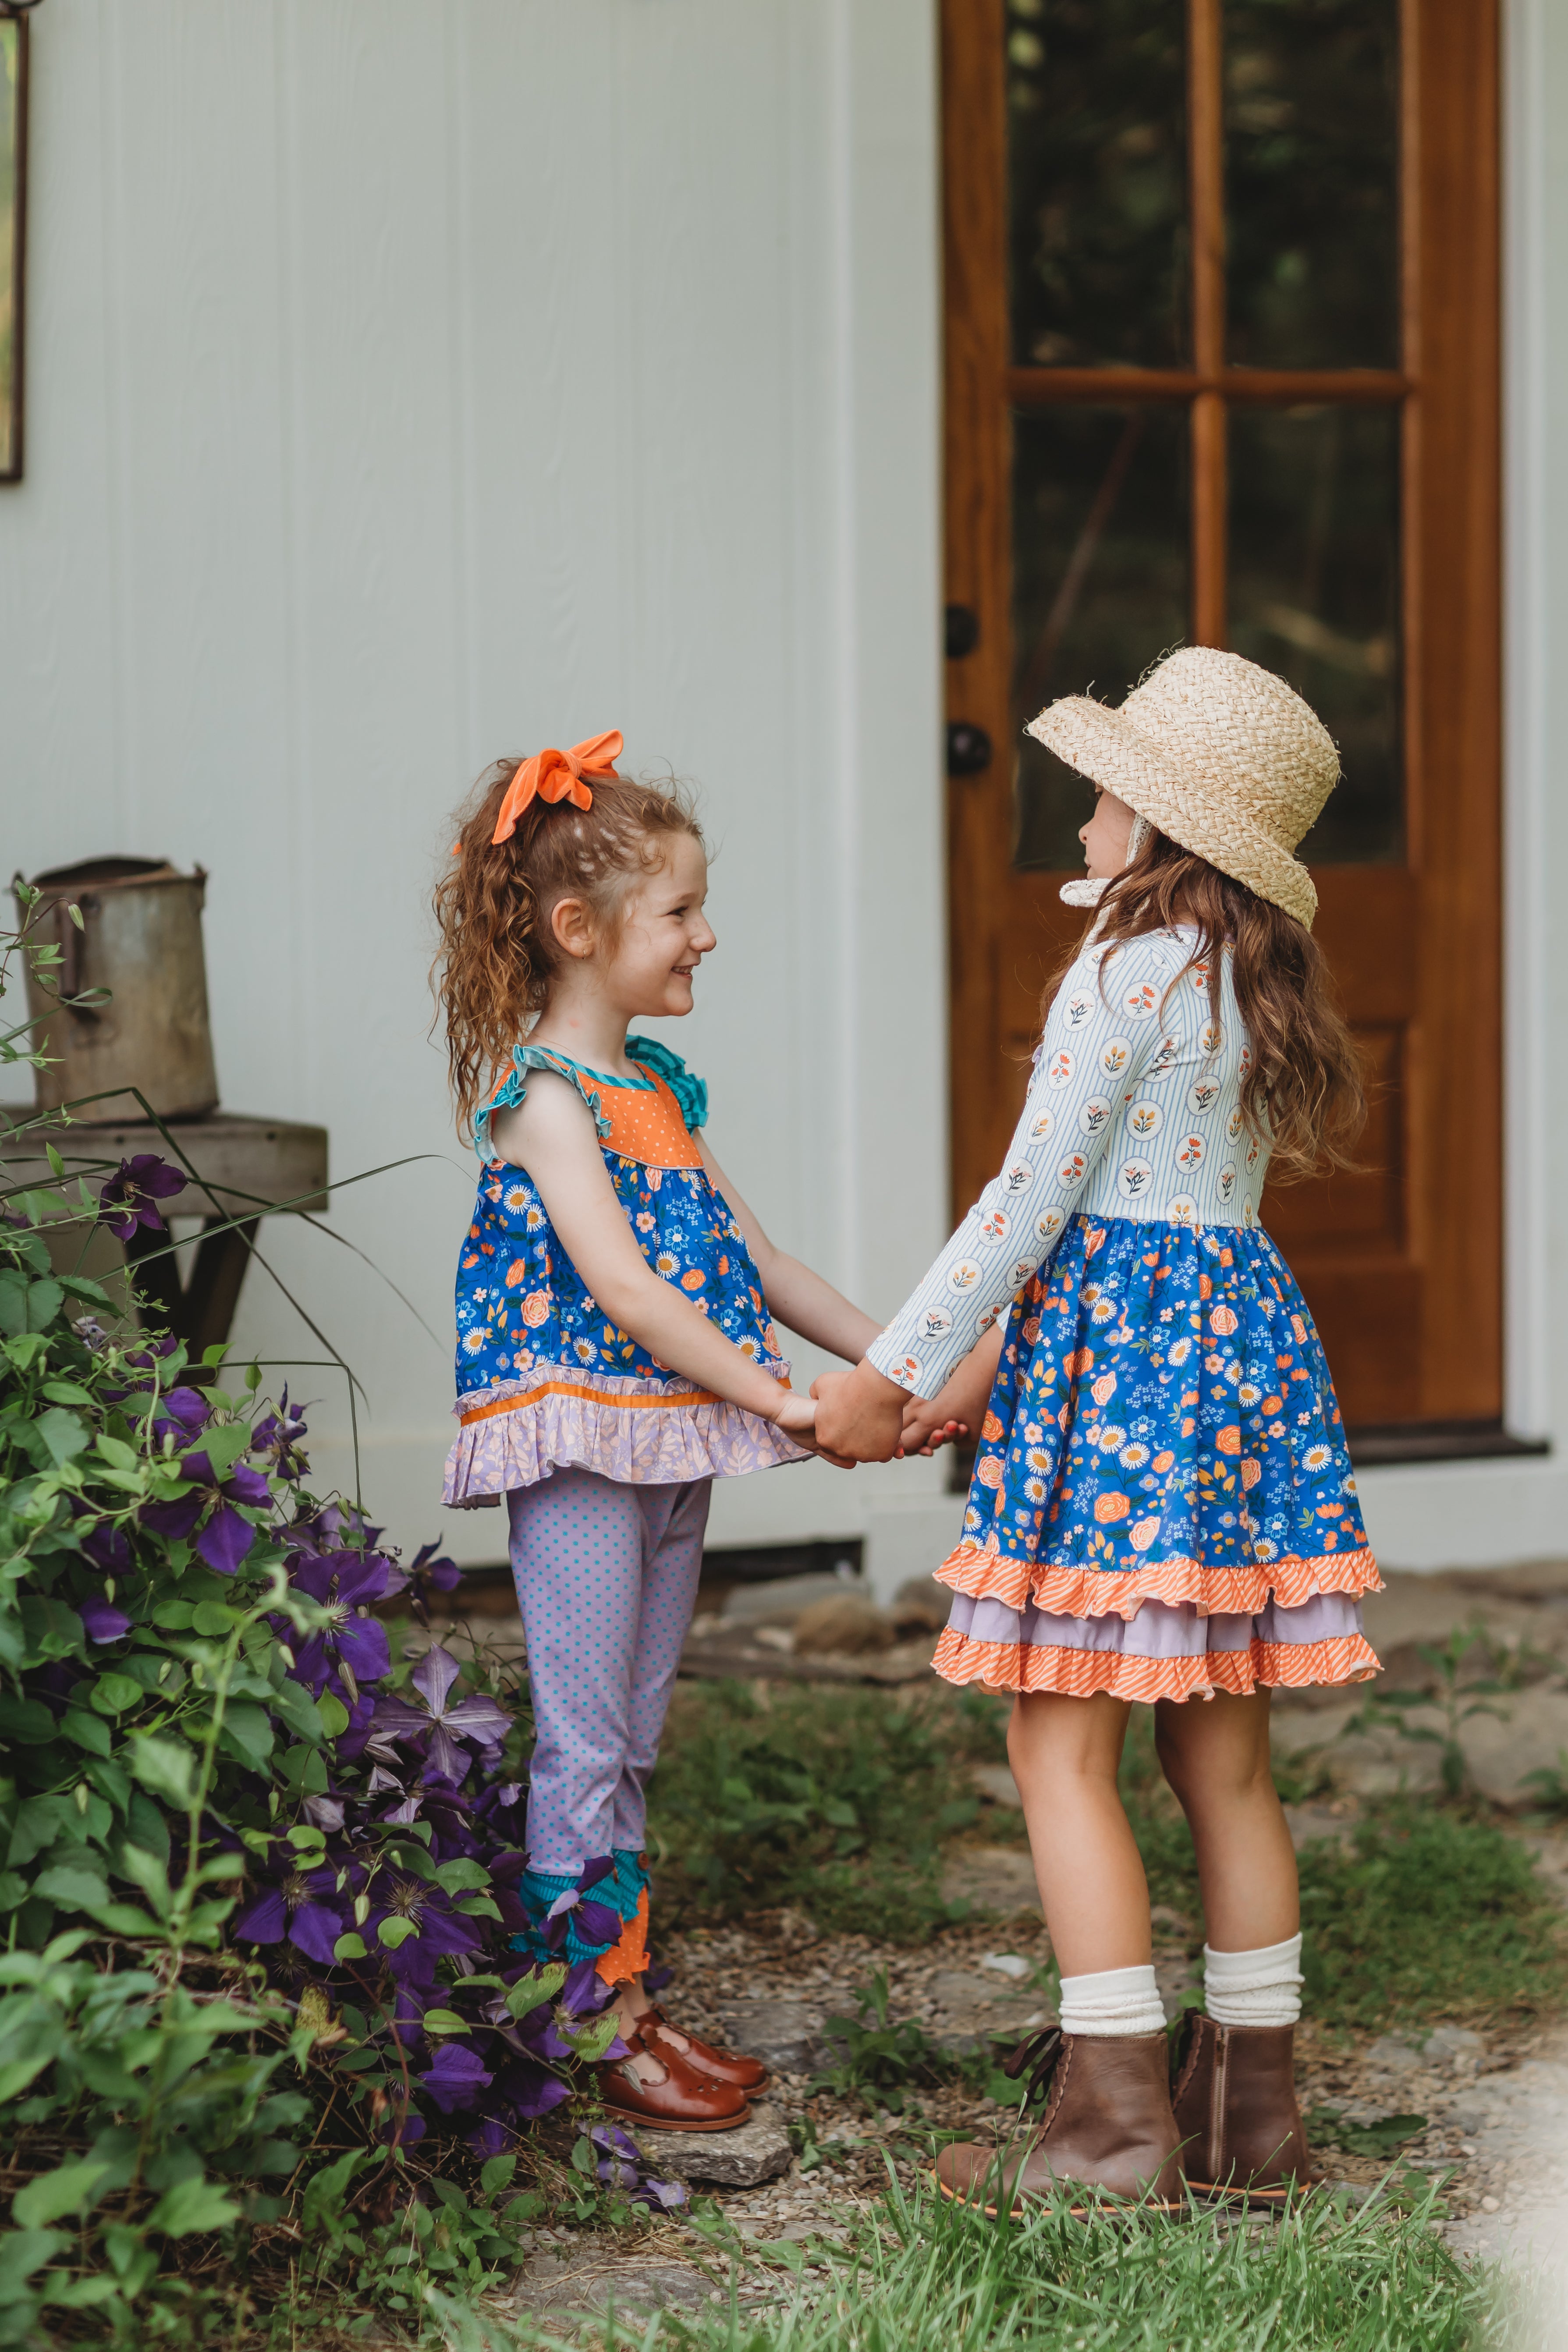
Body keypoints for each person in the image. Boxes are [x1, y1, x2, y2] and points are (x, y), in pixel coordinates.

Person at [813, 648, 1381, 2212]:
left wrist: (901, 1371)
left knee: (1057, 1739)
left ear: (1168, 824)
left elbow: (1031, 1202)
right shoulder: (1248, 982)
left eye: (1105, 790)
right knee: (1227, 1757)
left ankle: (1113, 2129)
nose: (1082, 817)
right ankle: (1247, 2122)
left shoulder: (1125, 972)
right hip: (1239, 1370)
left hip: (1123, 1385)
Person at [431, 731, 879, 2134]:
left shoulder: (660, 1098)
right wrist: (786, 1402)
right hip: (580, 1448)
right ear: (579, 930)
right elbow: (621, 1286)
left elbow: (757, 1267)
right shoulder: (547, 1101)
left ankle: (619, 1993)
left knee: (628, 1735)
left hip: (669, 1441)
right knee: (581, 1741)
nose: (706, 935)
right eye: (678, 911)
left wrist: (898, 1361)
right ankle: (586, 2023)